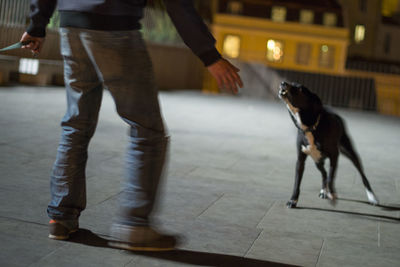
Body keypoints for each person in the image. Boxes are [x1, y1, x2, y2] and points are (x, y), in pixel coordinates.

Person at [21, 0, 243, 251]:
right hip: (114, 26)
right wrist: (210, 56)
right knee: (147, 130)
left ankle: (60, 216)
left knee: (76, 124)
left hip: (71, 23)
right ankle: (135, 225)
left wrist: (37, 24)